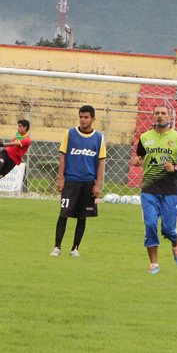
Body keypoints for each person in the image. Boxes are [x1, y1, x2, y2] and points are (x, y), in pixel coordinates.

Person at [130, 104, 177, 274]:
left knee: (168, 230)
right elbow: (142, 159)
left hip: (170, 190)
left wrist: (175, 167)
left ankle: (175, 243)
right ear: (152, 116)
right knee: (150, 225)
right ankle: (154, 263)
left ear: (169, 117)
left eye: (163, 113)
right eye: (156, 113)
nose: (159, 116)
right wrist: (137, 162)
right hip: (149, 189)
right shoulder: (144, 138)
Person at [52, 106, 106, 257]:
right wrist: (61, 178)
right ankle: (57, 247)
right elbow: (62, 156)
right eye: (81, 117)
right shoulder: (70, 133)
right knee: (64, 214)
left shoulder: (99, 137)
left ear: (93, 119)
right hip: (71, 181)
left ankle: (75, 248)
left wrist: (97, 184)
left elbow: (101, 162)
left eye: (86, 117)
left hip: (88, 182)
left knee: (82, 216)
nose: (83, 120)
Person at [0, 119, 32, 195]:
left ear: (25, 127)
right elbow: (12, 144)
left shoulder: (27, 140)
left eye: (20, 126)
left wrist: (0, 144)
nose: (18, 128)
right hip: (6, 153)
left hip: (13, 161)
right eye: (18, 126)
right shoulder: (18, 134)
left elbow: (14, 144)